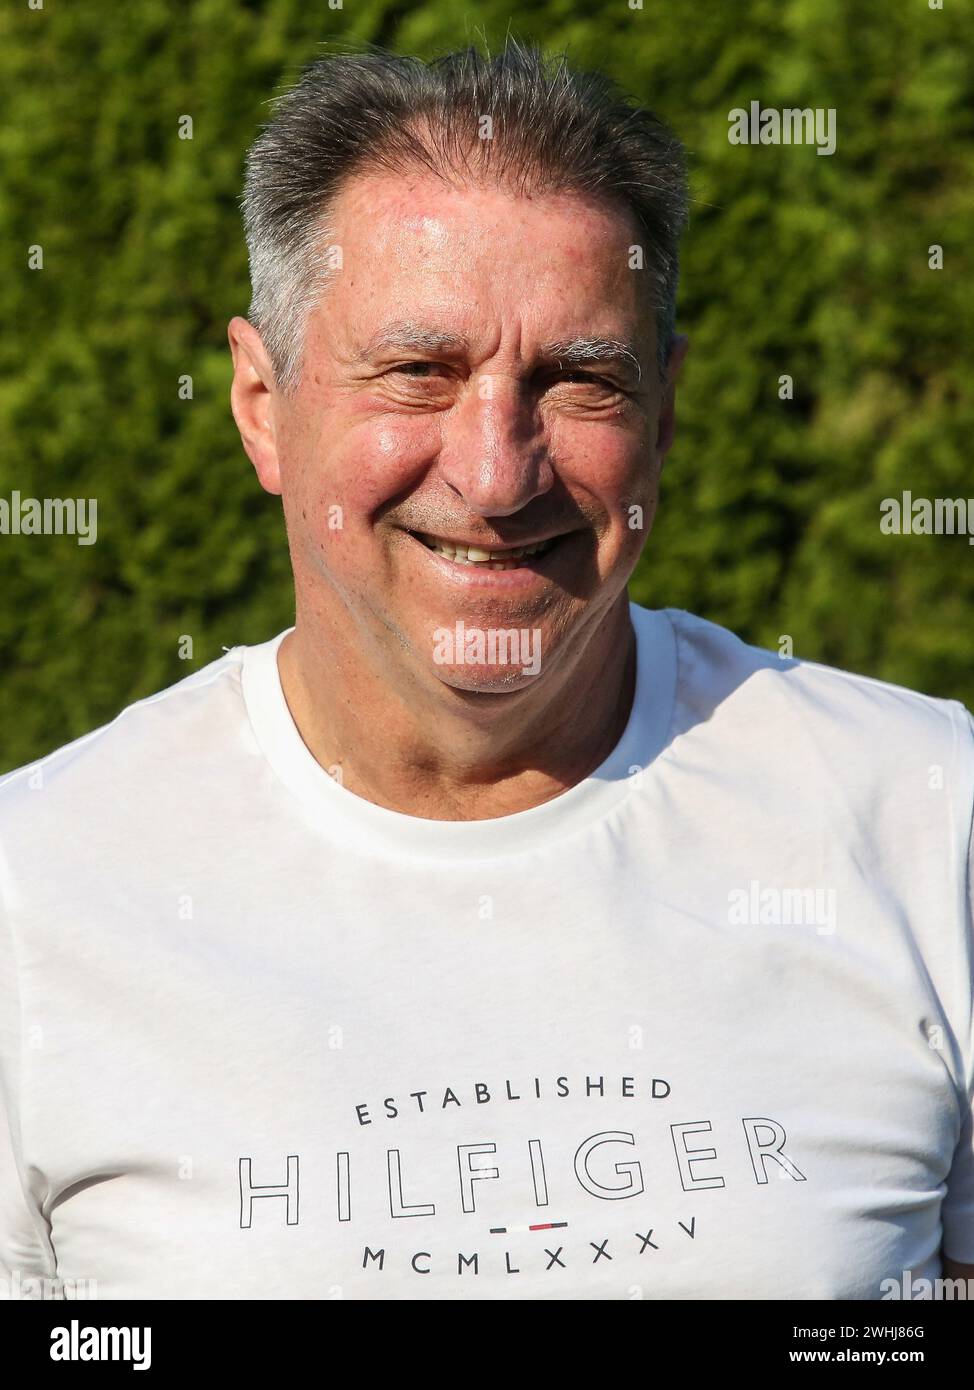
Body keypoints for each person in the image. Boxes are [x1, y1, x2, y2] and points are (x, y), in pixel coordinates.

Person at [1, 42, 971, 1302]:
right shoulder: (37, 895)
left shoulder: (925, 818)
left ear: (663, 419)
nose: (496, 474)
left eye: (579, 381)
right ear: (260, 404)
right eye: (418, 371)